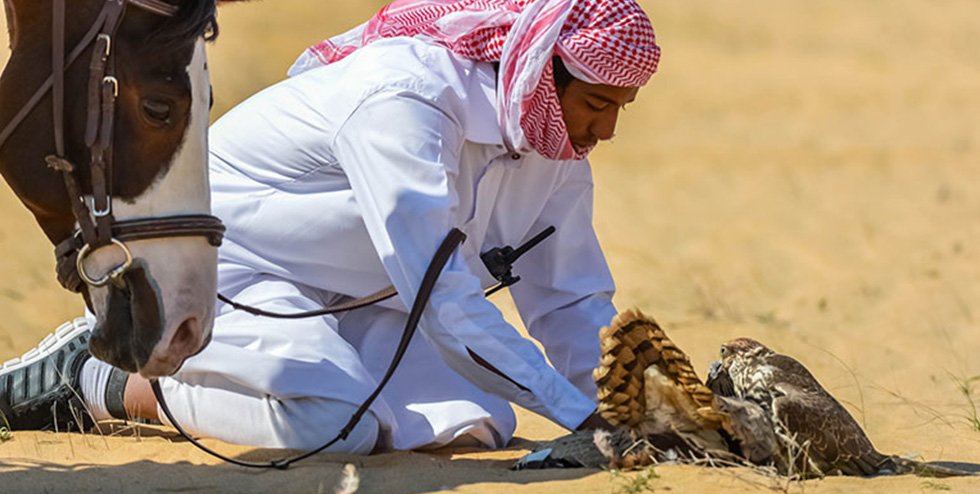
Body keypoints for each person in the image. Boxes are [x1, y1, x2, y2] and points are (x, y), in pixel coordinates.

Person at [0, 0, 660, 453]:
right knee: (337, 424)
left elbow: (570, 299)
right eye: (598, 104)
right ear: (537, 72)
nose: (607, 130)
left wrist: (637, 412)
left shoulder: (553, 145)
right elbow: (446, 304)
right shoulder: (405, 101)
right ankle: (100, 381)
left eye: (620, 110)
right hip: (222, 270)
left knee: (473, 423)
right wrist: (582, 418)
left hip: (357, 299)